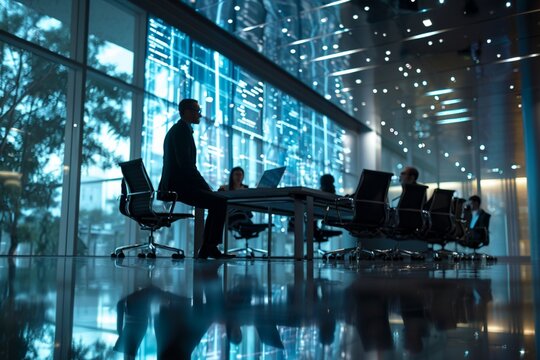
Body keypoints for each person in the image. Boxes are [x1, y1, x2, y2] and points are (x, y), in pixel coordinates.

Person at [158, 98, 234, 259]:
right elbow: (186, 166)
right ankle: (209, 248)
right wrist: (206, 188)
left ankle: (208, 248)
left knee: (217, 201)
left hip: (177, 184)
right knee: (219, 202)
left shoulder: (180, 130)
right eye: (196, 110)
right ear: (186, 112)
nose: (200, 114)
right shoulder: (181, 131)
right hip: (177, 186)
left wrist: (205, 189)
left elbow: (185, 167)